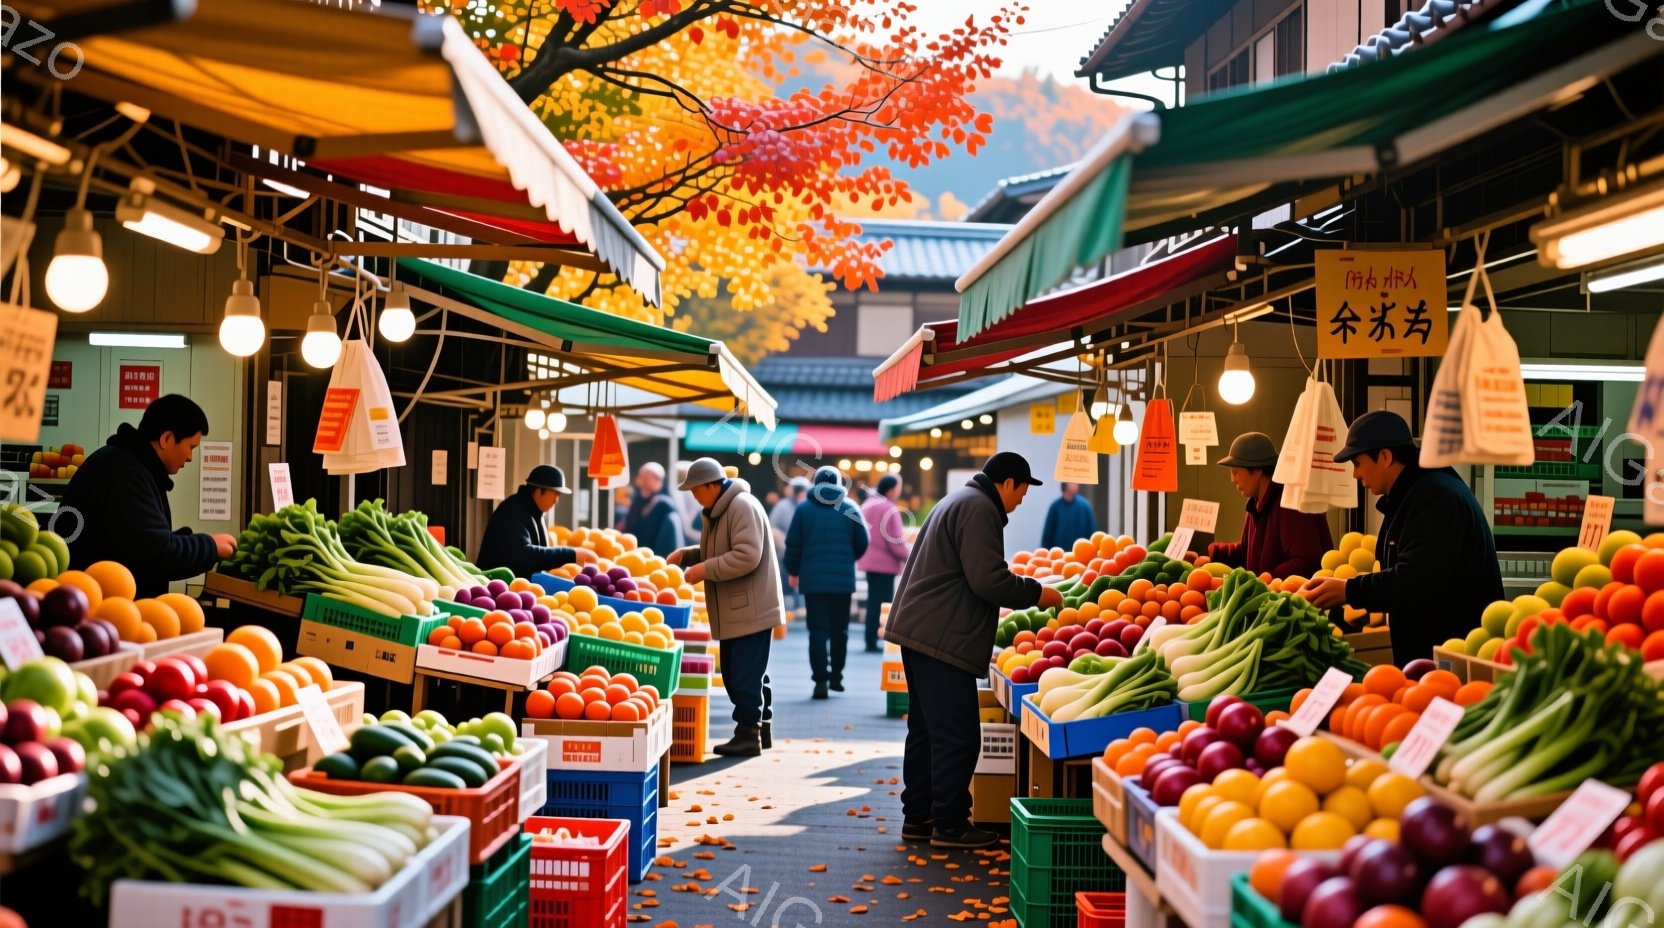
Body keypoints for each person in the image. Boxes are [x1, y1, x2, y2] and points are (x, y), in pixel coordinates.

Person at [884, 452, 1065, 849]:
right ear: (1008, 483)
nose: (1019, 502)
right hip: (940, 636)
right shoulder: (980, 508)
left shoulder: (959, 500)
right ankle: (949, 824)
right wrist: (1038, 592)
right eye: (1021, 492)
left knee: (928, 731)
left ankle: (919, 816)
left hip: (922, 631)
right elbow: (988, 579)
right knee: (958, 736)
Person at [1301, 411, 1504, 665]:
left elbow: (1415, 579)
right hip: (1430, 658)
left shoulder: (1434, 497)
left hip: (1450, 662)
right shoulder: (1413, 494)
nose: (1355, 474)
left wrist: (1349, 591)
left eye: (1358, 463)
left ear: (1385, 457)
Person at [65, 394, 238, 598]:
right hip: (105, 612)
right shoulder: (128, 475)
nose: (190, 457)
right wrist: (210, 547)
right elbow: (156, 554)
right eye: (190, 447)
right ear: (166, 439)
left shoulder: (123, 462)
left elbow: (139, 540)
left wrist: (189, 541)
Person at [668, 458, 785, 757]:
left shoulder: (741, 506)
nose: (693, 496)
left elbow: (747, 555)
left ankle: (748, 735)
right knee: (740, 673)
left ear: (712, 485)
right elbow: (719, 550)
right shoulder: (719, 510)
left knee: (742, 675)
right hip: (738, 609)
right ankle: (760, 724)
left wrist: (702, 570)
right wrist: (689, 556)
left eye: (696, 490)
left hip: (751, 608)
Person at [785, 466, 869, 699]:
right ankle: (837, 677)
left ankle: (820, 681)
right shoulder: (850, 508)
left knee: (817, 630)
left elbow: (793, 545)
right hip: (843, 581)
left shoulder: (803, 509)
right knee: (840, 630)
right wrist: (848, 559)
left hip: (813, 582)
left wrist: (793, 570)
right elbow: (863, 541)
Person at [1206, 433, 1333, 577]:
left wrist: (1267, 579)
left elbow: (1306, 562)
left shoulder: (1290, 503)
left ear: (1257, 470)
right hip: (1270, 596)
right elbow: (1245, 552)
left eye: (1235, 472)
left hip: (1294, 597)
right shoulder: (1255, 504)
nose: (1232, 479)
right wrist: (1210, 556)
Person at [476, 465, 598, 577]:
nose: (557, 501)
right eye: (555, 494)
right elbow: (524, 555)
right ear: (539, 491)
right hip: (495, 589)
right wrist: (571, 554)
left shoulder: (534, 512)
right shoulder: (513, 511)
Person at [857, 474, 910, 652]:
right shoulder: (889, 508)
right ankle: (878, 639)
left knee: (873, 602)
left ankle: (869, 639)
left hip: (869, 562)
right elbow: (895, 540)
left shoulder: (867, 505)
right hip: (885, 565)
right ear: (892, 489)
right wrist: (909, 558)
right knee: (884, 605)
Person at [617, 462, 685, 556]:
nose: (641, 482)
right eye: (641, 478)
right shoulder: (638, 499)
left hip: (655, 557)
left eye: (646, 479)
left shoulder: (664, 504)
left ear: (657, 481)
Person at [770, 476, 810, 612]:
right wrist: (788, 547)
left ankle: (802, 606)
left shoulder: (807, 505)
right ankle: (787, 608)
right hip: (785, 552)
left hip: (805, 553)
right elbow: (773, 530)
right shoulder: (782, 506)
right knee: (786, 579)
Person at [1040, 483, 1097, 550]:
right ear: (1065, 483)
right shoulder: (1055, 507)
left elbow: (1092, 534)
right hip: (1059, 556)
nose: (1076, 483)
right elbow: (1047, 536)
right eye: (1072, 481)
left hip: (1081, 556)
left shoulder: (1085, 506)